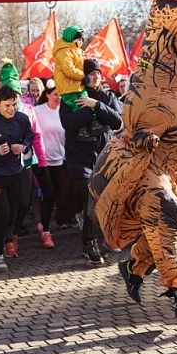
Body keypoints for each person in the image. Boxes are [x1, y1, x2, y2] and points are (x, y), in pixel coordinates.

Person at [58, 58, 123, 264]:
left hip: (103, 155)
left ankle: (97, 234)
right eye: (92, 73)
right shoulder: (69, 98)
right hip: (80, 158)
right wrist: (86, 109)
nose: (96, 77)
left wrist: (96, 105)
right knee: (90, 198)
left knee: (101, 200)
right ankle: (90, 243)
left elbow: (117, 121)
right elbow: (68, 123)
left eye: (98, 73)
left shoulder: (107, 96)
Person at [0, 85, 35, 271]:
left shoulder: (22, 119)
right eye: (7, 105)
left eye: (14, 104)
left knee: (21, 205)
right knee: (4, 213)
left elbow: (30, 136)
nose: (11, 109)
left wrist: (23, 146)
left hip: (17, 170)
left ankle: (0, 230)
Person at [34, 80, 65, 245]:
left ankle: (42, 224)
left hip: (59, 160)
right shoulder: (38, 111)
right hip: (42, 161)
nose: (58, 97)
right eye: (55, 94)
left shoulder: (64, 111)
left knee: (52, 197)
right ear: (47, 94)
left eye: (60, 94)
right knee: (49, 194)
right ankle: (46, 232)